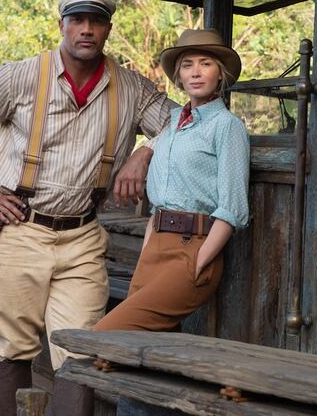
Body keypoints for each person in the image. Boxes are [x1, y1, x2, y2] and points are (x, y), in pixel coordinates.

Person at [0, 0, 177, 416]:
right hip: (20, 229)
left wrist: (144, 152)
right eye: (78, 20)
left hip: (83, 237)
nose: (87, 30)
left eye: (96, 22)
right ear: (62, 25)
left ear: (107, 29)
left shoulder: (131, 88)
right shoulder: (21, 76)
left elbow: (184, 123)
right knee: (13, 347)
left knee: (81, 350)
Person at [93, 28, 250, 338]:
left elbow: (232, 208)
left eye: (206, 63)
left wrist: (200, 260)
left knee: (107, 335)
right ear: (179, 75)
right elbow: (156, 172)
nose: (196, 72)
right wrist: (141, 153)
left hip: (193, 249)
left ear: (221, 73)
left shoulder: (227, 127)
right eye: (188, 64)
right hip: (154, 247)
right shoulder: (173, 125)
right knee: (150, 348)